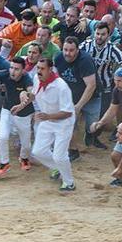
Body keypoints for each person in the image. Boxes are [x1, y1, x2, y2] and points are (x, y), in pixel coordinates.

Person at [18, 58, 77, 192]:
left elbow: (67, 112)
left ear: (50, 70)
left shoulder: (61, 86)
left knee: (59, 155)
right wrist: (21, 104)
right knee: (38, 151)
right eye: (38, 68)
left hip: (63, 123)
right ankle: (57, 168)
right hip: (47, 119)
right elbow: (34, 95)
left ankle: (69, 183)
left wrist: (47, 116)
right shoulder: (37, 79)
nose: (39, 71)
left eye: (42, 69)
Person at [54, 37, 97, 162]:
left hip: (92, 96)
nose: (68, 53)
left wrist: (79, 106)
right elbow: (56, 79)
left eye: (71, 50)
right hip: (70, 97)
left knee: (92, 126)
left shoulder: (85, 60)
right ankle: (73, 150)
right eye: (65, 50)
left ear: (78, 50)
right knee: (70, 123)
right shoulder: (58, 58)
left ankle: (90, 135)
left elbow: (91, 85)